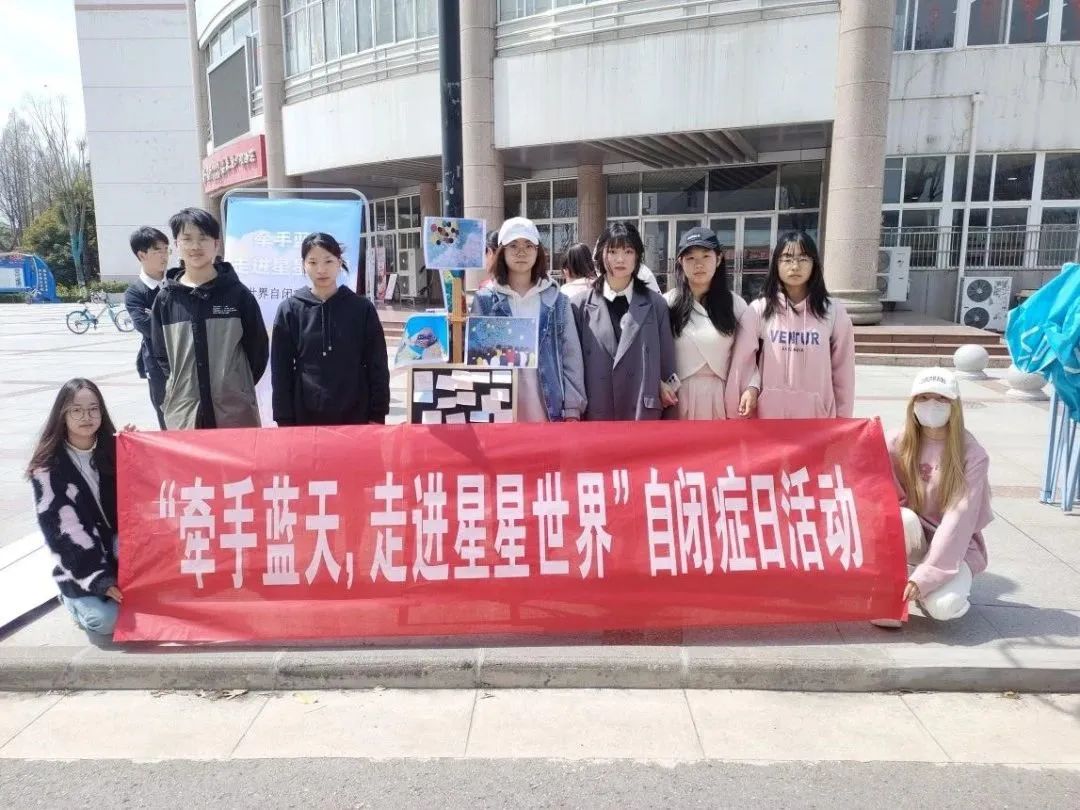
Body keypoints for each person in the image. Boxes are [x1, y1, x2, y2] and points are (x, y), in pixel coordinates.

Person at [879, 368, 992, 625]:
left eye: (941, 398)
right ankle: (902, 578)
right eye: (924, 397)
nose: (932, 404)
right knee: (902, 517)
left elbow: (958, 521)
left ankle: (938, 583)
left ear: (955, 404)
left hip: (956, 547)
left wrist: (927, 576)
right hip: (912, 536)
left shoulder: (972, 454)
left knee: (943, 608)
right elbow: (879, 500)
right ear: (912, 403)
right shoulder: (894, 442)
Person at [26, 379, 132, 637]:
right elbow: (64, 534)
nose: (87, 416)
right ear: (62, 415)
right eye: (77, 410)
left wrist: (136, 447)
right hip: (81, 566)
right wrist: (99, 580)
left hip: (123, 559)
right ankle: (71, 602)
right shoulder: (48, 468)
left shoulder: (114, 450)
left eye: (94, 409)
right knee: (107, 621)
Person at [151, 207, 269, 430]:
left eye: (203, 238)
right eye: (187, 239)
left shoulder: (238, 295)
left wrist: (236, 385)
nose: (195, 246)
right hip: (185, 413)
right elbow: (161, 355)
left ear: (216, 244)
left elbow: (258, 351)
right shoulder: (166, 299)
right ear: (176, 245)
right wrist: (184, 385)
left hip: (234, 412)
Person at [471, 216, 586, 422]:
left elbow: (571, 358)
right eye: (513, 245)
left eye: (528, 245)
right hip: (500, 416)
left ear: (538, 251)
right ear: (502, 251)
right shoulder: (485, 301)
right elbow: (478, 364)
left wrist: (572, 410)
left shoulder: (557, 301)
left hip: (549, 415)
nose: (521, 252)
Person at [271, 232, 390, 427]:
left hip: (356, 415)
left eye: (328, 261)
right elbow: (280, 370)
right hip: (304, 416)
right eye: (313, 262)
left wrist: (378, 413)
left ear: (339, 262)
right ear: (303, 265)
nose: (321, 270)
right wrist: (284, 418)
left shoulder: (362, 309)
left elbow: (378, 365)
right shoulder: (290, 310)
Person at [571, 220, 676, 421]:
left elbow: (668, 368)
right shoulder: (579, 306)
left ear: (638, 256)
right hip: (597, 411)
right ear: (601, 255)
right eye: (613, 251)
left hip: (642, 413)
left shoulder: (656, 305)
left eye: (628, 251)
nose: (620, 259)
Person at [748, 230, 854, 419]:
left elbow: (843, 372)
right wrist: (751, 389)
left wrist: (843, 420)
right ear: (776, 264)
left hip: (816, 419)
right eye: (787, 259)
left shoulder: (833, 312)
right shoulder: (760, 309)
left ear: (814, 264)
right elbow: (744, 362)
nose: (795, 266)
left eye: (803, 259)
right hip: (769, 419)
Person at [664, 227, 761, 420]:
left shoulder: (735, 305)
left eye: (706, 256)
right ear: (680, 262)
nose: (698, 264)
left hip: (721, 396)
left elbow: (749, 355)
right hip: (678, 397)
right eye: (690, 258)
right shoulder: (667, 303)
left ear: (718, 259)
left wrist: (752, 387)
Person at [124, 226, 170, 430]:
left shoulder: (177, 283)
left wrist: (156, 317)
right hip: (158, 367)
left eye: (166, 249)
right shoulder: (135, 293)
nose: (164, 255)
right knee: (166, 417)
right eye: (158, 250)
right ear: (142, 255)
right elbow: (148, 328)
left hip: (187, 361)